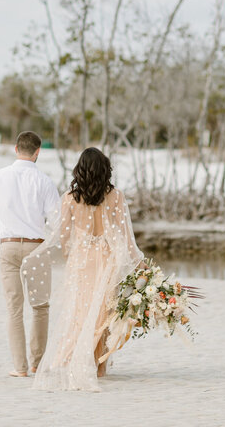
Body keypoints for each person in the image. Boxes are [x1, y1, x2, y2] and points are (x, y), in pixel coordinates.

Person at [21, 147, 144, 392]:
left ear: (80, 170)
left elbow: (63, 233)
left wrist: (70, 255)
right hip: (108, 258)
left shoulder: (70, 198)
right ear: (105, 169)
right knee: (103, 312)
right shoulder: (116, 196)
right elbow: (125, 235)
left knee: (80, 311)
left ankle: (69, 358)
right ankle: (99, 366)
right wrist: (139, 261)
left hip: (82, 258)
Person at [0, 131, 60, 378]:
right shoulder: (45, 181)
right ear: (38, 152)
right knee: (40, 307)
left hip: (7, 246)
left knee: (14, 309)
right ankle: (37, 363)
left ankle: (20, 368)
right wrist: (48, 244)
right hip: (36, 247)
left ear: (16, 148)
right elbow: (57, 220)